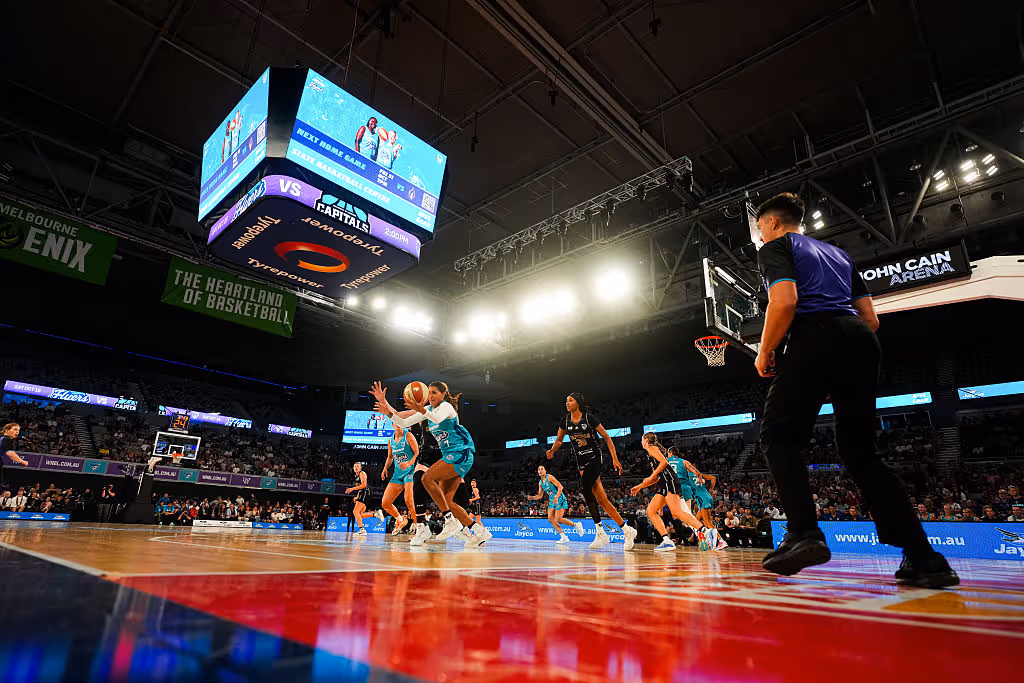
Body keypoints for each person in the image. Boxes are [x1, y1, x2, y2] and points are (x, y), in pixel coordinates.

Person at [752, 191, 957, 588]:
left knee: (779, 436)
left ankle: (804, 533)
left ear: (774, 222)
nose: (760, 235)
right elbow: (870, 318)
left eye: (760, 227)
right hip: (862, 340)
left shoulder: (777, 247)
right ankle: (925, 559)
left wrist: (766, 351)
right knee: (861, 453)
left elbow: (784, 302)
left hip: (816, 333)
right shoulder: (839, 255)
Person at [370, 380, 492, 548]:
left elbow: (437, 418)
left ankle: (450, 521)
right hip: (451, 455)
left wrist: (421, 409)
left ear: (443, 394)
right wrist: (386, 408)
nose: (432, 396)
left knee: (426, 478)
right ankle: (478, 532)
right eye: (430, 393)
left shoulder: (446, 407)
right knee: (447, 501)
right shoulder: (427, 410)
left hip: (460, 453)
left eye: (435, 392)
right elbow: (404, 422)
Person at [547, 393, 637, 550]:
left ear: (578, 403)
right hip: (580, 462)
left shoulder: (589, 418)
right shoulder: (565, 421)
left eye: (570, 400)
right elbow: (560, 440)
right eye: (566, 401)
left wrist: (615, 459)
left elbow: (607, 438)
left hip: (595, 458)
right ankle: (627, 530)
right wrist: (552, 451)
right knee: (602, 500)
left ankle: (601, 533)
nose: (567, 403)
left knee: (585, 489)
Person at [632, 433, 709, 552]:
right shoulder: (652, 452)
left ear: (646, 440)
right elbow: (656, 478)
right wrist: (640, 486)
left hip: (670, 481)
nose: (641, 441)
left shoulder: (652, 448)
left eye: (642, 439)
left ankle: (705, 531)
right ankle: (666, 540)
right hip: (664, 483)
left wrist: (651, 476)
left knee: (677, 512)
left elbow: (664, 463)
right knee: (651, 511)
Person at [381, 423, 419, 535]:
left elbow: (417, 452)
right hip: (397, 474)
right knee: (385, 503)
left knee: (409, 500)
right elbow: (390, 457)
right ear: (392, 424)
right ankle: (400, 520)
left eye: (400, 422)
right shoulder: (390, 440)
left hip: (409, 472)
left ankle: (419, 528)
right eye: (396, 422)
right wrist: (385, 468)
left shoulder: (408, 436)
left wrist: (409, 463)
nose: (398, 424)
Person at [528, 465, 584, 544]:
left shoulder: (549, 477)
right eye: (538, 470)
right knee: (550, 519)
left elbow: (560, 487)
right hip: (552, 500)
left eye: (541, 469)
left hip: (559, 498)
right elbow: (540, 496)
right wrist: (532, 498)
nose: (540, 471)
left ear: (545, 471)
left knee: (558, 519)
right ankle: (564, 537)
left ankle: (576, 525)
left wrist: (557, 497)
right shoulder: (540, 483)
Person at [344, 462, 377, 536]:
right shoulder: (356, 476)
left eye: (358, 466)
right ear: (353, 468)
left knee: (355, 512)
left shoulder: (362, 473)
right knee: (360, 514)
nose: (356, 468)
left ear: (360, 468)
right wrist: (357, 496)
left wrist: (352, 489)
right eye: (355, 466)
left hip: (366, 492)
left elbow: (364, 485)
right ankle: (376, 514)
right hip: (363, 493)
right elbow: (360, 488)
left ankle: (362, 529)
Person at [1, 423, 29, 490]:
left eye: (18, 430)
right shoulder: (7, 439)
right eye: (15, 429)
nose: (17, 432)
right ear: (7, 430)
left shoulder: (2, 438)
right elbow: (10, 454)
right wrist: (23, 461)